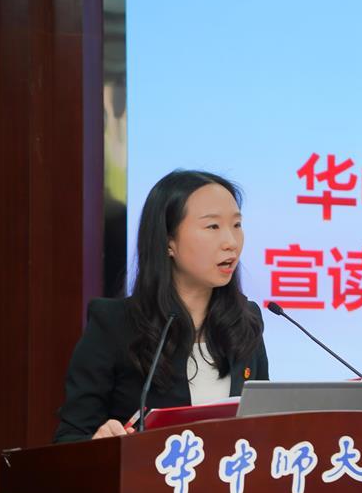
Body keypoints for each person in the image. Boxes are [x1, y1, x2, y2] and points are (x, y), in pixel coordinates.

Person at [53, 169, 268, 442]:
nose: (231, 242)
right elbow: (69, 438)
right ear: (168, 241)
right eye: (213, 226)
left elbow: (264, 424)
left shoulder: (246, 321)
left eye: (236, 225)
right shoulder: (114, 324)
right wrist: (99, 443)